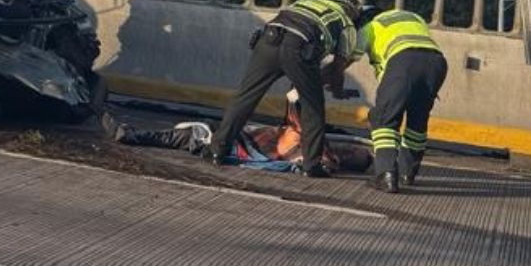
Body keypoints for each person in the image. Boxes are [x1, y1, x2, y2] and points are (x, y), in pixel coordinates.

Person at [209, 0, 361, 176]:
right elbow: (338, 67)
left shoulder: (307, 1)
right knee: (312, 107)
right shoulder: (347, 24)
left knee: (246, 96)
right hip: (299, 47)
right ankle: (312, 165)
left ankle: (217, 150)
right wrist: (338, 90)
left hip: (268, 39)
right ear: (353, 13)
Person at [104, 90, 372, 173]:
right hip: (240, 141)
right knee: (186, 136)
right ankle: (131, 133)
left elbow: (298, 120)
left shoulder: (316, 148)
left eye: (351, 151)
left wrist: (298, 95)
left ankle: (130, 134)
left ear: (346, 156)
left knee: (183, 136)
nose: (347, 148)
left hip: (238, 144)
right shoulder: (318, 151)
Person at [356, 5, 449, 193]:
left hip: (403, 61)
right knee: (417, 118)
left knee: (384, 118)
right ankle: (407, 174)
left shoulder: (370, 27)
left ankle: (386, 175)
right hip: (436, 62)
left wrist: (330, 78)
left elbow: (348, 57)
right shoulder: (413, 16)